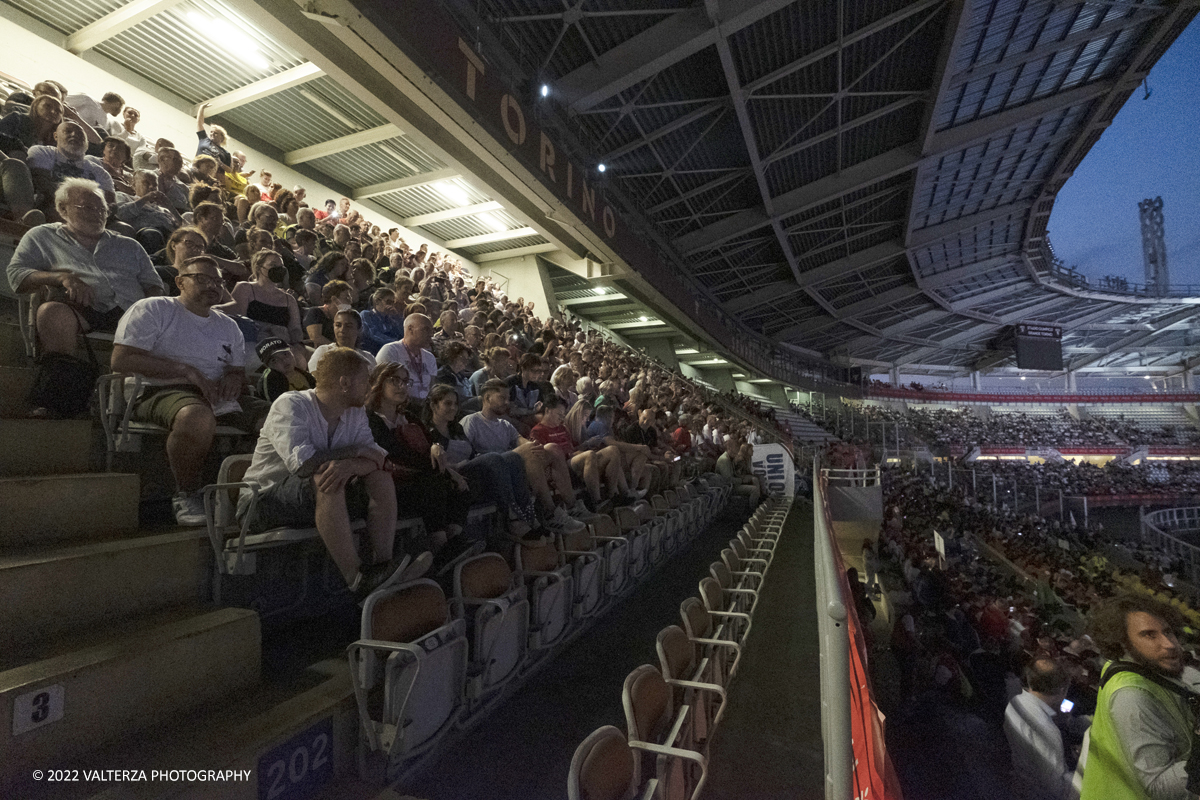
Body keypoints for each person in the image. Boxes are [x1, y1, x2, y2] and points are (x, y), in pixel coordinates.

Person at [239, 347, 413, 600]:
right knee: (327, 478)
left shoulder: (355, 412)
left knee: (379, 477)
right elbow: (304, 465)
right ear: (344, 383)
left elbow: (379, 460)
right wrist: (353, 453)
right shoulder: (291, 404)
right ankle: (357, 580)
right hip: (260, 501)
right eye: (365, 380)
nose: (370, 387)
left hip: (314, 497)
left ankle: (382, 567)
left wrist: (354, 465)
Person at [111, 255, 267, 525]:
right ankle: (186, 493)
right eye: (203, 279)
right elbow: (122, 359)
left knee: (280, 417)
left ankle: (252, 492)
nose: (213, 286)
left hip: (215, 392)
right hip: (159, 388)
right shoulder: (154, 308)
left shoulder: (228, 325)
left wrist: (233, 377)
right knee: (196, 417)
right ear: (180, 282)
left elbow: (236, 370)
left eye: (218, 281)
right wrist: (186, 371)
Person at [7, 178, 163, 358]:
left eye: (102, 210)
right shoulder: (42, 236)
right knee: (51, 312)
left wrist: (150, 312)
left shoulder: (130, 245)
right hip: (81, 308)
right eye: (88, 207)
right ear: (63, 209)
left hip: (131, 312)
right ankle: (64, 372)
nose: (97, 214)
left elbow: (153, 284)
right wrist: (62, 278)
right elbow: (16, 274)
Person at [1081, 594, 1200, 800]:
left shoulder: (1134, 668)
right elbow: (1159, 787)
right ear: (1123, 642)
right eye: (1149, 635)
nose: (1170, 644)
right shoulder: (1130, 695)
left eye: (1168, 632)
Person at [365, 363, 481, 575]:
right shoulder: (370, 419)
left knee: (462, 482)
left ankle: (454, 540)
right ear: (379, 382)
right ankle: (440, 546)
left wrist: (439, 452)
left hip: (418, 476)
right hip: (390, 483)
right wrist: (442, 466)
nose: (402, 386)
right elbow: (395, 453)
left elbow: (430, 443)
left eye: (405, 381)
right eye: (394, 380)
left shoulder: (408, 416)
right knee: (435, 480)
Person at [462, 379, 583, 532]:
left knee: (552, 448)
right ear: (487, 398)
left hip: (513, 467)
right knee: (527, 452)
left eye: (508, 398)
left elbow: (522, 442)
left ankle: (572, 506)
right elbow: (466, 457)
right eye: (502, 398)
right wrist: (529, 449)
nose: (507, 402)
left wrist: (537, 448)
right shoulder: (471, 421)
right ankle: (550, 511)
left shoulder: (505, 424)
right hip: (489, 471)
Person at [424, 383, 542, 541]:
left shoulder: (457, 429)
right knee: (494, 457)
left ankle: (528, 514)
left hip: (472, 477)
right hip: (452, 480)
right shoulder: (427, 432)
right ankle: (512, 518)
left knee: (513, 457)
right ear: (433, 405)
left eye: (455, 404)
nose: (453, 408)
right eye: (447, 403)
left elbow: (472, 454)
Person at [1004, 657, 1085, 800]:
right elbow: (1059, 789)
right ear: (1062, 689)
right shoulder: (1046, 729)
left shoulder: (1015, 702)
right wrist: (1085, 765)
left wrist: (1058, 721)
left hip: (1021, 780)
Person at [217, 249, 305, 366]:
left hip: (283, 344)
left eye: (281, 266)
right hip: (255, 343)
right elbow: (239, 319)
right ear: (259, 268)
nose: (278, 269)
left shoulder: (289, 299)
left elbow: (295, 328)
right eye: (273, 265)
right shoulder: (246, 288)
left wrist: (297, 343)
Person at [28, 120, 115, 216]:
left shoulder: (100, 172)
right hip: (53, 207)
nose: (74, 135)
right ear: (55, 136)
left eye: (80, 134)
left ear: (87, 143)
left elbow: (110, 204)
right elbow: (42, 184)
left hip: (90, 216)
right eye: (68, 131)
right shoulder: (41, 152)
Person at [377, 313, 438, 404]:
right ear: (410, 329)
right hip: (401, 406)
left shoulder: (430, 357)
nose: (431, 334)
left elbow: (433, 388)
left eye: (431, 330)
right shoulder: (391, 351)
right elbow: (383, 387)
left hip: (425, 408)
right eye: (426, 329)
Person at [308, 309, 376, 374]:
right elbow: (315, 376)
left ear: (359, 329)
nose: (342, 330)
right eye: (338, 325)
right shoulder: (323, 351)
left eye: (348, 326)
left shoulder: (368, 358)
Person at [256, 337, 315, 401]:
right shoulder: (271, 380)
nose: (284, 360)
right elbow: (276, 406)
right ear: (267, 365)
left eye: (285, 354)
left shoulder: (305, 375)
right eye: (274, 360)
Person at [304, 280, 353, 346]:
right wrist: (338, 348)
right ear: (334, 299)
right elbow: (316, 338)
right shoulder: (315, 312)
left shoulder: (344, 317)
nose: (351, 301)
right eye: (347, 297)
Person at [360, 287, 404, 354]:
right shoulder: (366, 314)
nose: (391, 306)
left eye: (393, 303)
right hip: (372, 351)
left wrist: (397, 317)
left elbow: (402, 334)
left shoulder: (390, 318)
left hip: (391, 351)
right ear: (377, 301)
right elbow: (373, 334)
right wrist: (397, 343)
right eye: (388, 302)